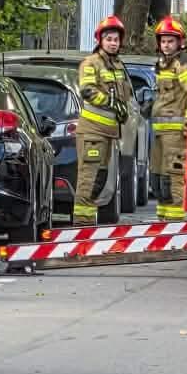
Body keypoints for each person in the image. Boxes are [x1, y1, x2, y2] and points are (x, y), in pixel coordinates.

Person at [72, 14, 131, 224]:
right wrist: (110, 102)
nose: (113, 43)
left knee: (100, 180)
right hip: (92, 132)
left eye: (116, 39)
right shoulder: (91, 63)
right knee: (88, 181)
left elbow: (125, 94)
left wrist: (123, 108)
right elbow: (87, 90)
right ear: (100, 40)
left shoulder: (117, 66)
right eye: (109, 39)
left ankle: (89, 223)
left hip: (108, 134)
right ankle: (81, 227)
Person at [149, 16, 187, 221]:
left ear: (180, 43)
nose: (166, 45)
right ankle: (162, 222)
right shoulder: (162, 65)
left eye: (170, 41)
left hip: (175, 134)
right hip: (160, 133)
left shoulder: (181, 66)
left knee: (173, 180)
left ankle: (174, 226)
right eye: (163, 41)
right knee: (158, 180)